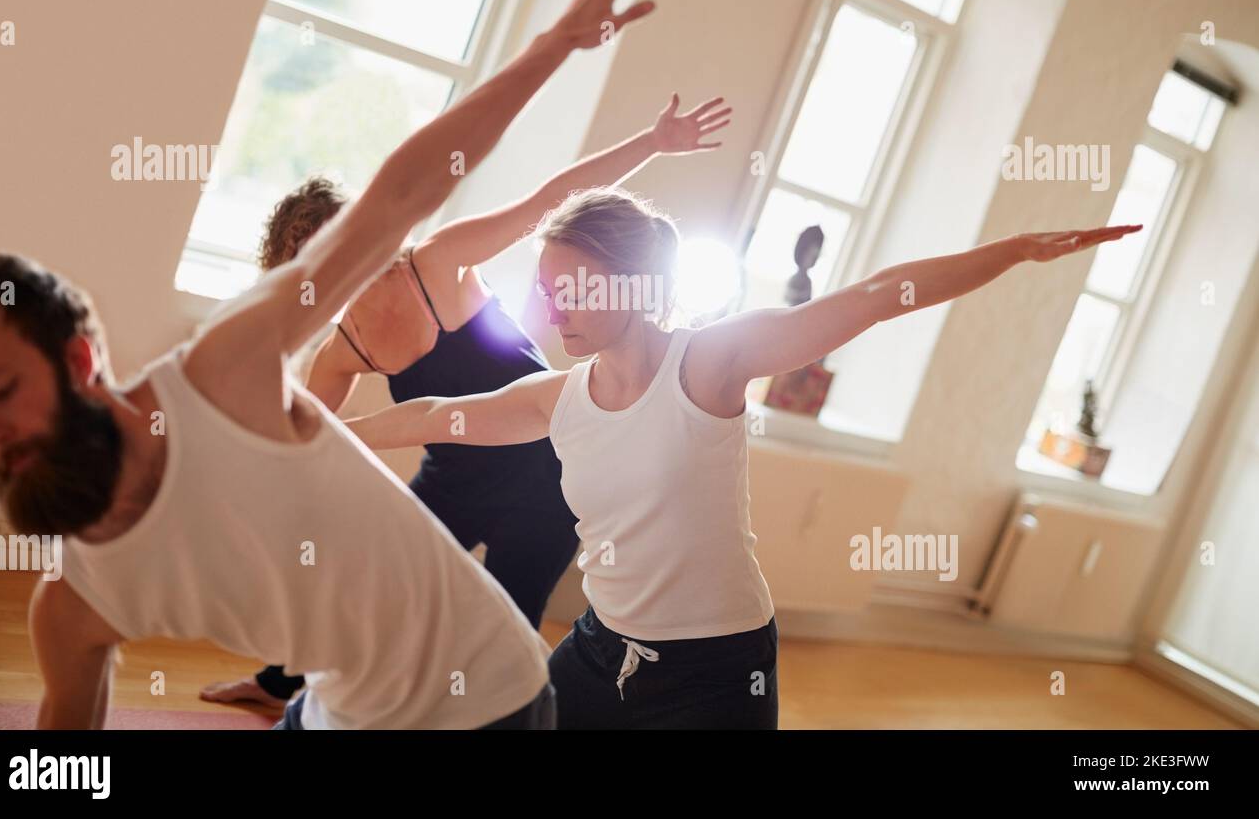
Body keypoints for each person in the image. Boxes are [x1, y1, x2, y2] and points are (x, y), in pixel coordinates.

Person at [0, 0, 656, 729]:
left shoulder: (225, 372)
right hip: (344, 705)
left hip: (487, 692)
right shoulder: (72, 610)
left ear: (80, 357)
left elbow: (406, 191)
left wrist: (556, 43)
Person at [346, 185, 1142, 729]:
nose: (555, 309)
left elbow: (871, 297)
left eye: (577, 288)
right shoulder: (559, 396)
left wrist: (1017, 251)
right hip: (599, 649)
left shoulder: (709, 363)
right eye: (549, 290)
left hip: (717, 671)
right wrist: (329, 430)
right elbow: (445, 417)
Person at [202, 91, 731, 709]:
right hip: (452, 480)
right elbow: (301, 435)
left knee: (506, 628)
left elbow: (548, 201)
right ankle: (280, 686)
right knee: (368, 580)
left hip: (542, 471)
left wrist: (654, 142)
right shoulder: (342, 349)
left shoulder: (439, 264)